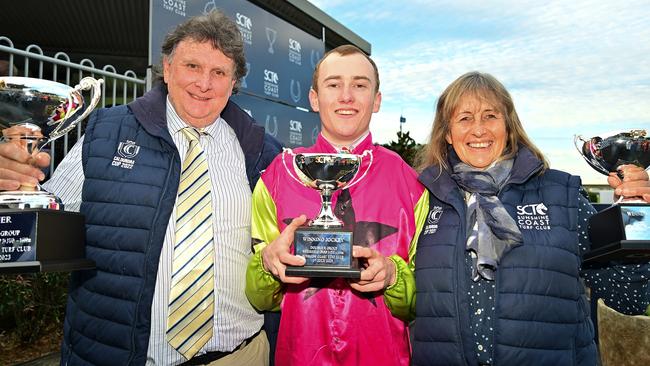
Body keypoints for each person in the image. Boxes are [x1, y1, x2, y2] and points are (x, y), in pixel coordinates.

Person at [0, 10, 281, 366]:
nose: (204, 83)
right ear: (167, 67)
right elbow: (45, 225)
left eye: (219, 72)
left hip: (239, 357)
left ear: (233, 82)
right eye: (192, 66)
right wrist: (15, 187)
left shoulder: (263, 152)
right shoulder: (106, 132)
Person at [410, 71, 650, 366]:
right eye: (464, 119)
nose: (478, 130)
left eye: (490, 116)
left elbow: (626, 297)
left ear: (509, 127)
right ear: (447, 133)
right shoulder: (424, 199)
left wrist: (636, 219)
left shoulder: (563, 196)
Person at [244, 45, 428, 365]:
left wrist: (394, 278)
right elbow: (259, 298)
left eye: (359, 85)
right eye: (333, 84)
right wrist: (268, 266)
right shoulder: (278, 176)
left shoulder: (410, 183)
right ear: (314, 99)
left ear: (377, 100)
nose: (346, 96)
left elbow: (425, 302)